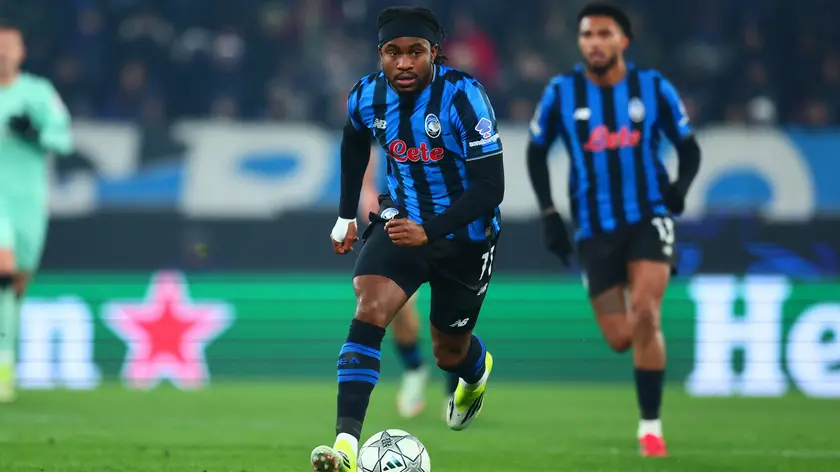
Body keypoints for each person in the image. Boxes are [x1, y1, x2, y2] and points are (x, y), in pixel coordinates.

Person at [312, 6, 505, 472]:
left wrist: (430, 230)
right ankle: (345, 446)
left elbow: (490, 187)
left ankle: (475, 371)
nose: (403, 63)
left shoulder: (464, 97)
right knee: (369, 307)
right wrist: (345, 216)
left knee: (448, 351)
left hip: (465, 238)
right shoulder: (367, 95)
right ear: (380, 53)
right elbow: (354, 140)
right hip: (401, 221)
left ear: (434, 53)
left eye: (415, 52)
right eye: (392, 52)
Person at [526, 3, 701, 458]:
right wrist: (549, 214)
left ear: (624, 40)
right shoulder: (561, 91)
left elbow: (689, 147)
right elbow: (535, 151)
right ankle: (649, 412)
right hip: (593, 228)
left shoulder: (653, 87)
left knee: (645, 312)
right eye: (587, 34)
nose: (595, 42)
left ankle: (651, 427)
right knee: (621, 338)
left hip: (648, 217)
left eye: (604, 34)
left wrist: (679, 189)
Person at [0, 22, 74, 402]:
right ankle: (2, 371)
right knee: (3, 269)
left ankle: (5, 363)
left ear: (22, 53)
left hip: (27, 201)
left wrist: (35, 134)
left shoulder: (38, 93)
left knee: (15, 288)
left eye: (9, 46)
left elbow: (64, 140)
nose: (3, 53)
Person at [360, 147, 461, 419]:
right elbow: (368, 140)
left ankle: (454, 386)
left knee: (453, 309)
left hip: (448, 214)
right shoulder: (389, 122)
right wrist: (367, 188)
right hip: (401, 212)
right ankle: (414, 368)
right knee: (394, 302)